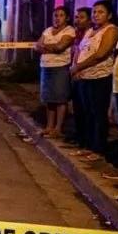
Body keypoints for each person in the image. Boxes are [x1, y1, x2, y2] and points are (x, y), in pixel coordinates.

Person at [71, 0, 118, 162]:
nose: (96, 15)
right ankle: (88, 145)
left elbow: (101, 54)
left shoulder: (111, 30)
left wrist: (78, 67)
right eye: (94, 12)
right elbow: (80, 50)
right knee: (87, 113)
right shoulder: (90, 30)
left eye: (101, 12)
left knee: (98, 114)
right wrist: (76, 67)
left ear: (109, 15)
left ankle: (98, 148)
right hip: (84, 77)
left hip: (100, 77)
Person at [34, 7, 76, 138]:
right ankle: (49, 126)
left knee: (60, 99)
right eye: (56, 15)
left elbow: (60, 47)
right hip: (45, 66)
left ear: (67, 18)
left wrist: (45, 46)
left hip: (60, 67)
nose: (57, 18)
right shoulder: (48, 30)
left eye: (61, 15)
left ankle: (58, 128)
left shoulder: (69, 31)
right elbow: (37, 46)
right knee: (49, 99)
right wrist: (51, 47)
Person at [64, 7, 94, 147]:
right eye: (76, 17)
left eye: (81, 17)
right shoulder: (77, 34)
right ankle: (79, 135)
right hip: (75, 73)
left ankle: (87, 139)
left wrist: (78, 69)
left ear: (89, 20)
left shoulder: (91, 34)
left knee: (86, 109)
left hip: (85, 74)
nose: (77, 20)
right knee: (77, 108)